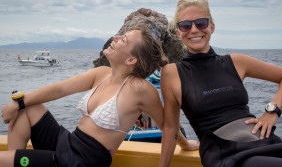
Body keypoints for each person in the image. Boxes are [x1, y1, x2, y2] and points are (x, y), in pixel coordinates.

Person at [0, 24, 198, 167]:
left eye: (123, 40)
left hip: (81, 161)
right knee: (27, 107)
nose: (115, 38)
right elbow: (60, 89)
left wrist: (185, 143)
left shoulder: (140, 89)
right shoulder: (101, 74)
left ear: (131, 59)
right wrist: (18, 104)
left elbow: (168, 126)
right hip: (66, 143)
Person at [159, 0, 282, 167]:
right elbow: (170, 128)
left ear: (212, 27)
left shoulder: (236, 62)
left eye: (201, 23)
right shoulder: (172, 73)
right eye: (186, 25)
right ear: (178, 32)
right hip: (223, 152)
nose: (194, 30)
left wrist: (272, 112)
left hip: (263, 141)